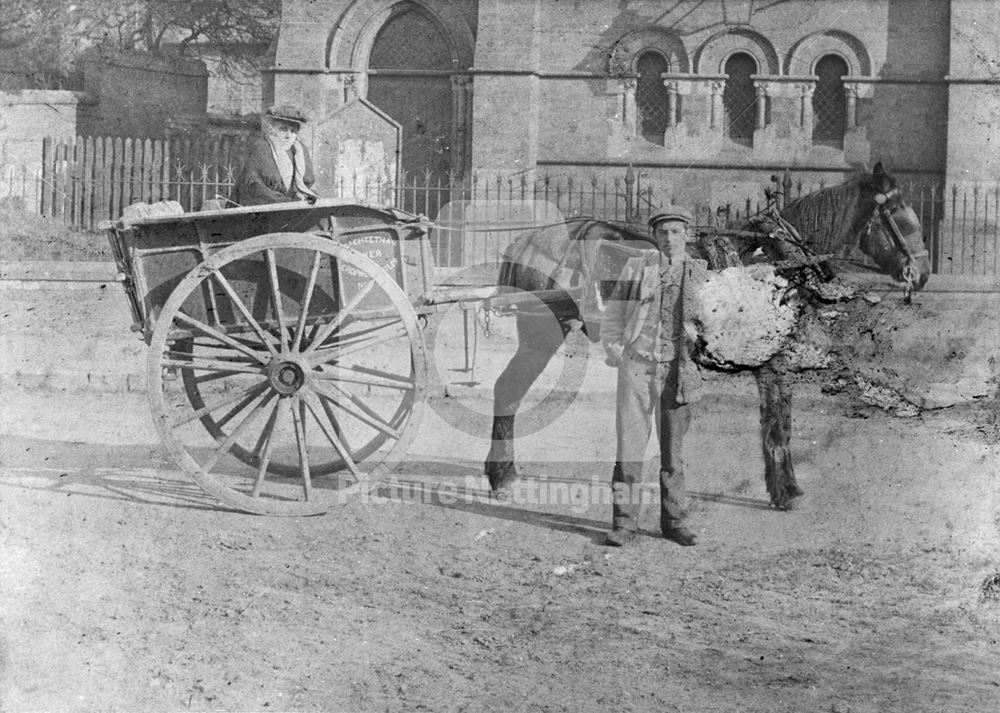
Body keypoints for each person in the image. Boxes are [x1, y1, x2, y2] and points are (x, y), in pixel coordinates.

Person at [600, 206, 709, 547]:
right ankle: (624, 524)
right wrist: (615, 349)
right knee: (630, 449)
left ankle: (675, 522)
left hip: (678, 371)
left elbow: (714, 322)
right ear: (655, 236)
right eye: (663, 233)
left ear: (687, 235)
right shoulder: (638, 267)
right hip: (637, 367)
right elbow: (615, 311)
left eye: (677, 232)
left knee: (672, 454)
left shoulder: (700, 273)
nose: (670, 238)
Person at [231, 103, 318, 206]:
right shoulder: (261, 148)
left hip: (290, 206)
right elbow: (254, 188)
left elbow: (305, 184)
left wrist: (301, 196)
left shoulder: (300, 150)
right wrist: (288, 201)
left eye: (293, 131)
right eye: (283, 129)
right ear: (272, 129)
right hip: (257, 207)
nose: (288, 136)